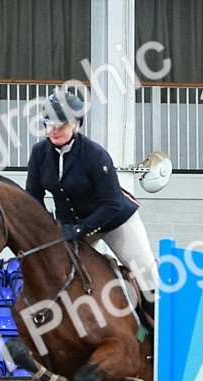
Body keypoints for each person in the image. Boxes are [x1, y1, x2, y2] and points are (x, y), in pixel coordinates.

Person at [26, 90, 158, 303]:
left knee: (148, 273)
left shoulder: (95, 155)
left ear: (77, 125)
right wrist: (48, 230)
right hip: (72, 226)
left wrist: (79, 229)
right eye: (49, 124)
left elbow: (112, 204)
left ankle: (158, 323)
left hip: (116, 222)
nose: (54, 130)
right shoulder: (39, 153)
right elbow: (33, 198)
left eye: (61, 125)